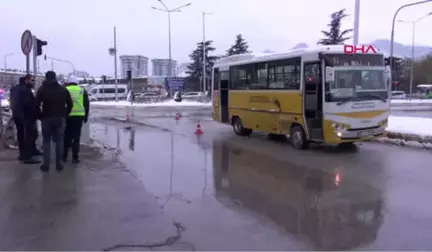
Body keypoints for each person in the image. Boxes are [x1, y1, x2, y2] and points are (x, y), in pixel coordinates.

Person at [34, 71, 73, 172]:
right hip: (60, 118)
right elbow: (70, 104)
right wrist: (65, 114)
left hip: (46, 118)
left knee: (46, 141)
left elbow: (36, 104)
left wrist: (40, 115)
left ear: (46, 78)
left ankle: (46, 165)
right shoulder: (62, 89)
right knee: (59, 141)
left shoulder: (42, 89)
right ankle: (59, 165)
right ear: (55, 78)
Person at [10, 75, 41, 164]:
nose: (34, 82)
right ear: (26, 80)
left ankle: (30, 152)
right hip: (25, 117)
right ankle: (26, 157)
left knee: (24, 136)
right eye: (32, 80)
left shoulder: (16, 88)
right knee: (27, 136)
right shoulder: (24, 90)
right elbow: (28, 105)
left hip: (18, 116)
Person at [63, 75, 89, 163]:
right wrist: (86, 116)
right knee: (76, 137)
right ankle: (75, 158)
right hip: (79, 116)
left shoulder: (65, 89)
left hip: (68, 116)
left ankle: (64, 157)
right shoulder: (82, 90)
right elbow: (86, 104)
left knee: (67, 137)